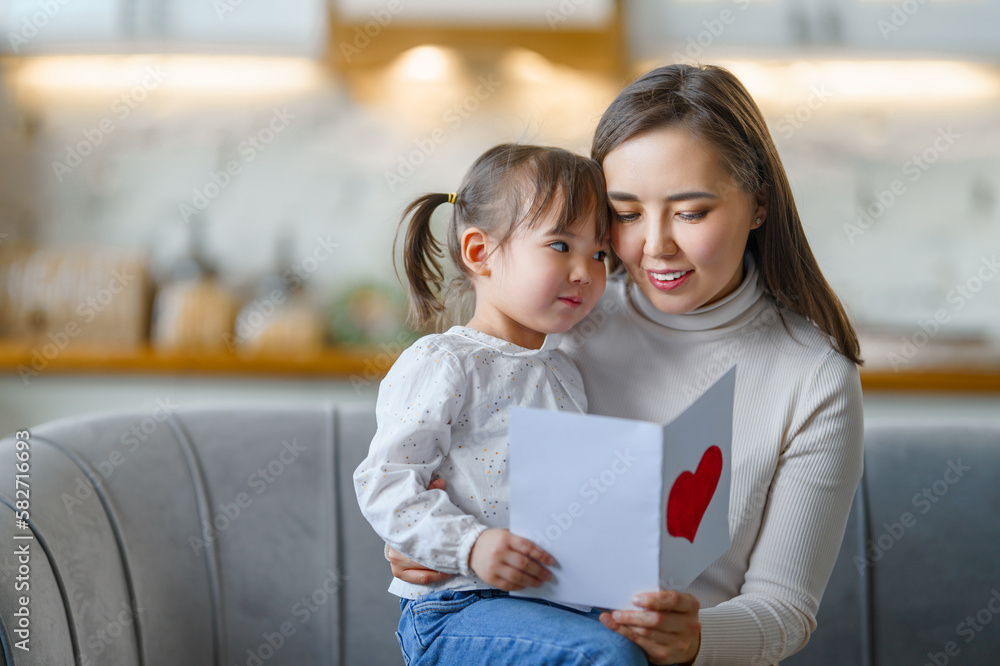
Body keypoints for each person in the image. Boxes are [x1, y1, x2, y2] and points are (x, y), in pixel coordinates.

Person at [388, 63, 865, 665]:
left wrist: (696, 640)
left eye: (691, 213)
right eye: (627, 214)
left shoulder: (813, 376)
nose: (656, 245)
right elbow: (430, 474)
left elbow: (785, 609)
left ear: (760, 204)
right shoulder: (558, 320)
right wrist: (437, 543)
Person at [354, 143, 649, 665]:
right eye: (560, 245)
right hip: (458, 606)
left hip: (551, 603)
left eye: (600, 254)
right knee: (605, 656)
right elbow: (385, 482)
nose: (585, 270)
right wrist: (469, 546)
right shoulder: (445, 362)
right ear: (479, 252)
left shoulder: (564, 370)